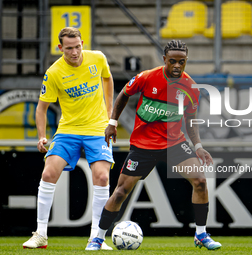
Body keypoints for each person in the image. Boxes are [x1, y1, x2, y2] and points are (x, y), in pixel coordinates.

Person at [86, 40, 222, 250]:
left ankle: (201, 234)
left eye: (182, 62)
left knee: (200, 181)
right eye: (173, 61)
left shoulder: (190, 87)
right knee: (121, 192)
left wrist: (197, 146)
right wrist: (112, 123)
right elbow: (124, 94)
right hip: (143, 146)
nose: (177, 66)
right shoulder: (147, 77)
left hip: (175, 143)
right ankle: (98, 238)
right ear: (164, 59)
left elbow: (191, 120)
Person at [23, 27, 114, 250]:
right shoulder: (54, 72)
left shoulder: (98, 58)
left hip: (97, 130)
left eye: (77, 47)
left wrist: (110, 117)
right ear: (60, 47)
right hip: (68, 130)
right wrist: (42, 136)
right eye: (69, 48)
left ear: (82, 43)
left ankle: (96, 238)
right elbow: (41, 108)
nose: (74, 52)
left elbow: (108, 80)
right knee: (48, 173)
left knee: (102, 178)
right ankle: (40, 234)